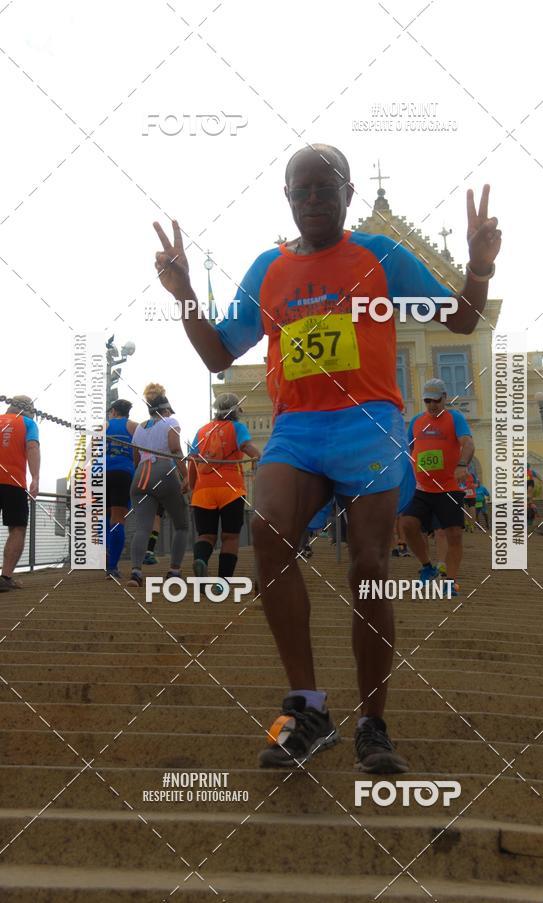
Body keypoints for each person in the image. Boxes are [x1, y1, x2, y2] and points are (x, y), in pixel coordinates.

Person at [152, 143, 501, 772]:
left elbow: (461, 319)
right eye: (301, 191)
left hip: (370, 428)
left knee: (367, 563)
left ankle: (373, 720)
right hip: (298, 430)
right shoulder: (269, 269)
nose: (314, 200)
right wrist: (181, 294)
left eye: (326, 188)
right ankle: (308, 708)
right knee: (268, 530)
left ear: (347, 194)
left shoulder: (381, 255)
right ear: (287, 198)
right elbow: (218, 355)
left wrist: (478, 268)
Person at [402, 378, 476, 597]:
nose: (432, 405)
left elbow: (468, 443)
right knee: (407, 524)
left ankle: (450, 581)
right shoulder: (416, 421)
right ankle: (427, 567)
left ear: (444, 398)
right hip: (422, 488)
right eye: (427, 401)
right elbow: (407, 451)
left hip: (448, 488)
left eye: (436, 400)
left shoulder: (454, 418)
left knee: (453, 534)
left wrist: (462, 464)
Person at [188, 393, 261, 595]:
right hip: (231, 489)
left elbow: (192, 460)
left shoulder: (202, 431)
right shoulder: (237, 428)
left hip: (203, 490)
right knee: (230, 537)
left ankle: (201, 561)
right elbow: (246, 446)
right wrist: (260, 457)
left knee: (206, 535)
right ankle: (221, 584)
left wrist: (192, 487)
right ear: (236, 411)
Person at [126, 384, 189, 588]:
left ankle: (135, 573)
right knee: (181, 525)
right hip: (163, 470)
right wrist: (186, 475)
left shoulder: (140, 428)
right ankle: (174, 571)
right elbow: (174, 449)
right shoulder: (171, 421)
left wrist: (143, 474)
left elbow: (136, 457)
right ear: (166, 409)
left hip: (140, 476)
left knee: (142, 527)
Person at [0, 396, 40, 591]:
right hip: (13, 482)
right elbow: (32, 447)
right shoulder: (28, 423)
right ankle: (6, 578)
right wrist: (36, 477)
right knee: (17, 528)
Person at [105, 399, 138, 579]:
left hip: (101, 473)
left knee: (103, 516)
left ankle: (105, 551)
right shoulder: (134, 427)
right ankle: (112, 567)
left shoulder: (103, 426)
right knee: (118, 519)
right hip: (123, 473)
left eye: (110, 412)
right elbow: (139, 452)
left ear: (115, 411)